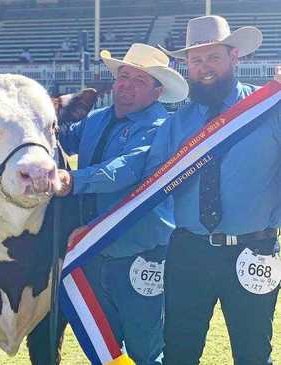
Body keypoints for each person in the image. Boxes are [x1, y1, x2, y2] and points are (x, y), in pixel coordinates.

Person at [149, 15, 280, 364]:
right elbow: (145, 183)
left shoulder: (271, 109)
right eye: (196, 60)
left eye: (213, 57)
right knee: (179, 352)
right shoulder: (177, 124)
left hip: (254, 249)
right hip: (189, 252)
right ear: (187, 66)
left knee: (253, 353)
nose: (204, 67)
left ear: (234, 57)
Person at [57, 44, 188, 364]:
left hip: (140, 251)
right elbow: (60, 138)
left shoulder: (161, 127)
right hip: (92, 250)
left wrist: (71, 180)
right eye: (123, 76)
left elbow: (125, 171)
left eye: (139, 81)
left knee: (145, 346)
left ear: (157, 92)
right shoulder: (97, 118)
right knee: (105, 346)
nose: (126, 85)